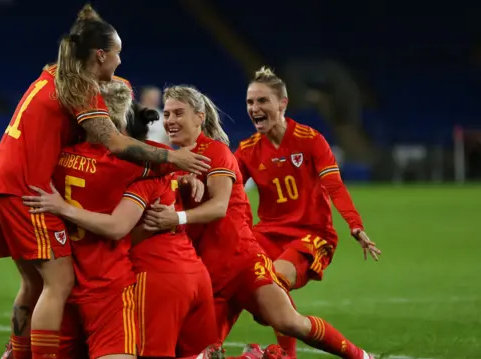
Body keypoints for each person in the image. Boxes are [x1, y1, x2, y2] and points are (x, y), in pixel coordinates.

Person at [0, 5, 210, 359]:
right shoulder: (81, 89)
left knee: (34, 282)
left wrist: (87, 23)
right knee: (59, 283)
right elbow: (114, 142)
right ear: (100, 55)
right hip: (28, 190)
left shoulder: (54, 73)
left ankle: (15, 352)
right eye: (117, 54)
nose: (119, 63)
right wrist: (173, 159)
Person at [143, 85, 375, 359]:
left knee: (288, 321)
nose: (170, 120)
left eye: (178, 113)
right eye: (167, 114)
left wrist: (177, 215)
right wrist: (180, 182)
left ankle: (360, 356)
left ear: (199, 117)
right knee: (196, 354)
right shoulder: (172, 161)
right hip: (207, 275)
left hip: (242, 261)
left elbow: (218, 206)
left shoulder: (216, 152)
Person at [22, 79, 215, 359]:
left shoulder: (59, 156)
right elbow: (118, 226)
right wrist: (178, 171)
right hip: (109, 284)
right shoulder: (130, 166)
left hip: (65, 279)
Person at [234, 67, 381, 358]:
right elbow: (224, 189)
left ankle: (347, 355)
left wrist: (355, 225)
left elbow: (335, 187)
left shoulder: (310, 139)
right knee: (233, 273)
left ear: (282, 104)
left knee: (273, 281)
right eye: (250, 102)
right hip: (268, 233)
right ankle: (206, 347)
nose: (254, 108)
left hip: (312, 235)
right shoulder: (248, 150)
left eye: (262, 101)